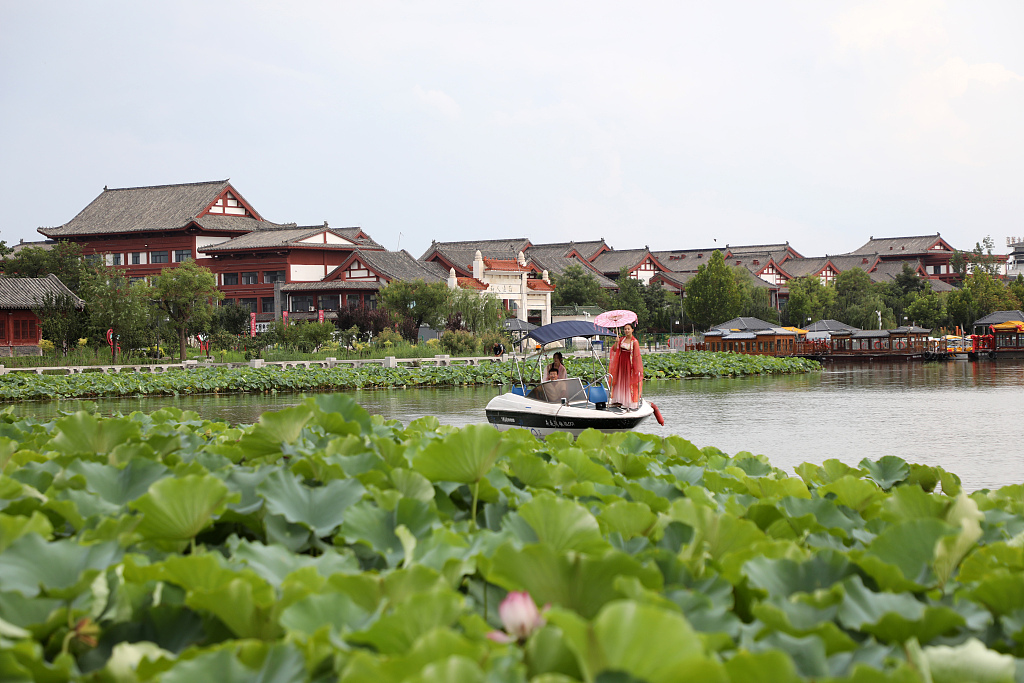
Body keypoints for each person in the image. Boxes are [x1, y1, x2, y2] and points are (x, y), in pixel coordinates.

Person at [608, 323, 643, 409]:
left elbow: (637, 356)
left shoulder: (634, 341)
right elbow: (615, 349)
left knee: (628, 382)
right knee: (620, 381)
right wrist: (616, 341)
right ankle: (618, 400)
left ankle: (629, 402)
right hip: (620, 363)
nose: (626, 331)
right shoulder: (621, 339)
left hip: (629, 364)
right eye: (625, 329)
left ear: (632, 330)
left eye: (628, 329)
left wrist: (636, 368)